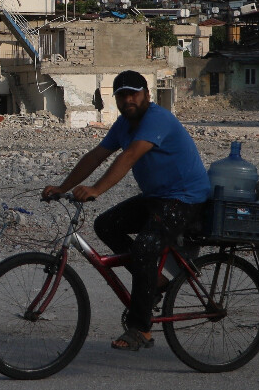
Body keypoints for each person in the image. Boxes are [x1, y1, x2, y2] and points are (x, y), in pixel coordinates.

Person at [42, 70, 211, 351]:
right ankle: (155, 282)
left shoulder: (158, 118)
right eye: (122, 95)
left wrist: (96, 190)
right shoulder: (123, 124)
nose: (128, 99)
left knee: (145, 248)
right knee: (106, 225)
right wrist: (63, 187)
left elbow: (130, 155)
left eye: (134, 93)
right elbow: (97, 155)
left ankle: (141, 329)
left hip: (186, 199)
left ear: (147, 94)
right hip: (157, 198)